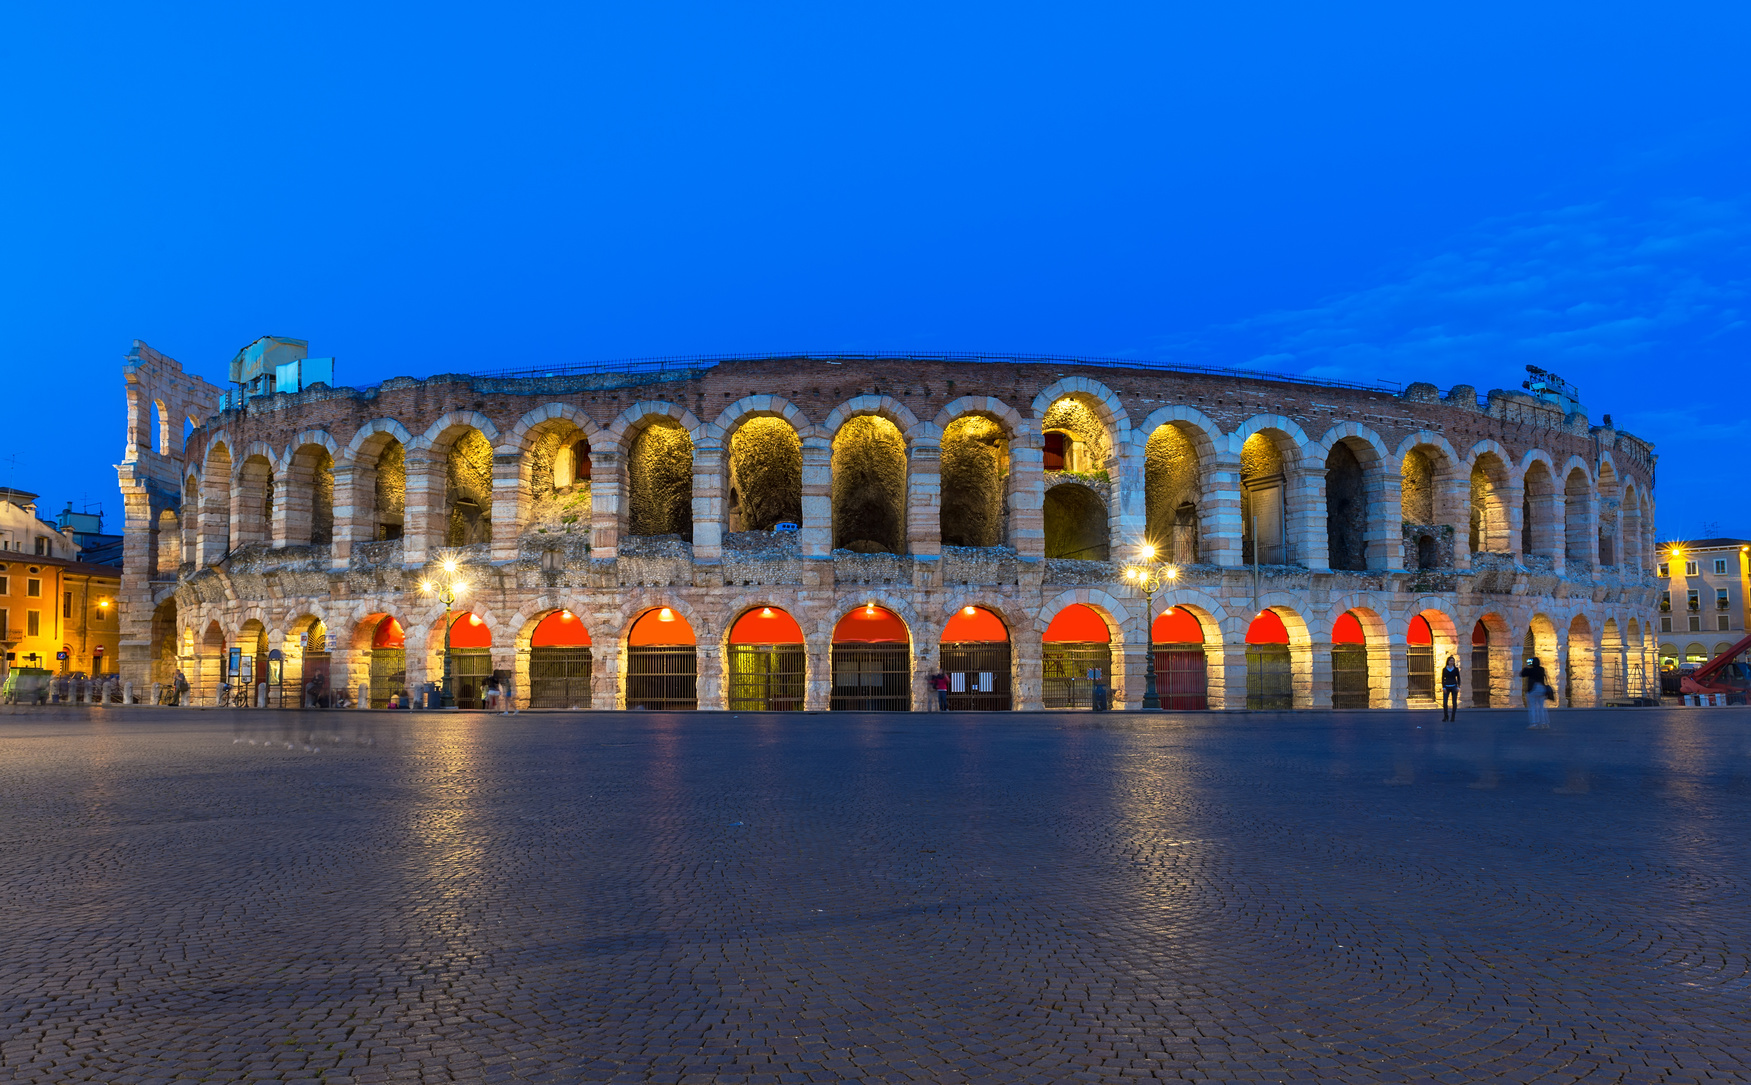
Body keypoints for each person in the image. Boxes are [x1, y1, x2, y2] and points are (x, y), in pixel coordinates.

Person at [1520, 656, 1550, 729]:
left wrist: (1526, 666)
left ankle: (1534, 723)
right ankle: (1544, 723)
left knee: (1533, 707)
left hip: (1533, 689)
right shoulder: (1541, 669)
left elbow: (1522, 674)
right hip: (1542, 688)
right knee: (1542, 707)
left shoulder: (1530, 670)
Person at [1440, 655, 1461, 721]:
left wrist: (1458, 687)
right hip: (1446, 686)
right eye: (1450, 661)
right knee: (1445, 702)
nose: (1452, 662)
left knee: (1454, 702)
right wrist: (1443, 687)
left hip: (1454, 686)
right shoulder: (1444, 669)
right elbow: (1443, 678)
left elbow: (1458, 678)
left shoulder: (1456, 669)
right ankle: (1446, 716)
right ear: (1448, 661)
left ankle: (1453, 717)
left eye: (1453, 661)